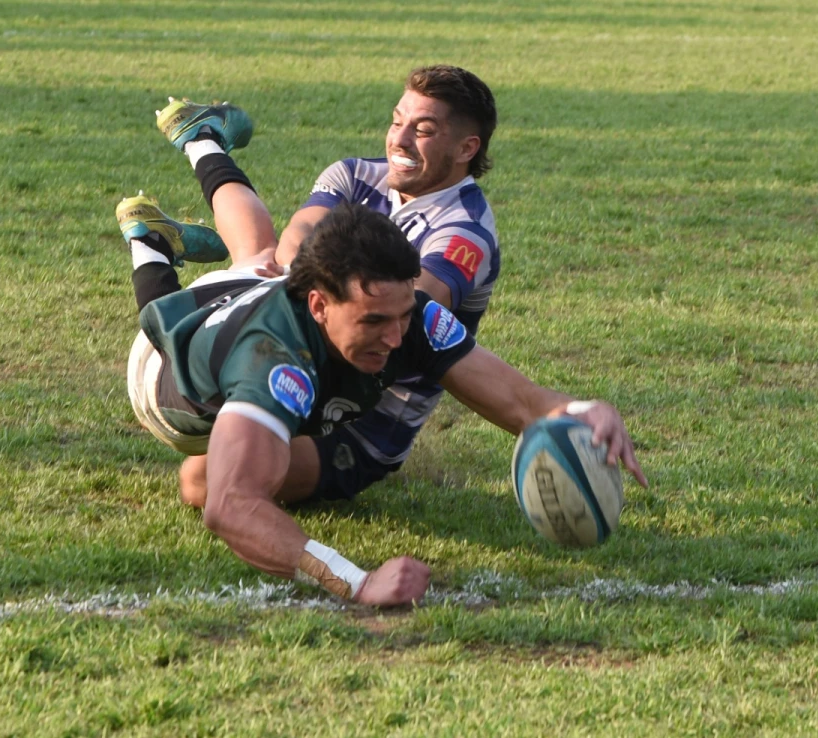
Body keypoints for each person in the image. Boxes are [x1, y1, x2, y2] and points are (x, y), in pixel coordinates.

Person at [116, 189, 648, 609]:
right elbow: (229, 509)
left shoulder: (406, 311)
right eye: (374, 322)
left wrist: (581, 410)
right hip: (164, 379)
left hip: (250, 301)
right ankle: (148, 244)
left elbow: (522, 402)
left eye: (402, 317)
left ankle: (159, 248)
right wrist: (357, 581)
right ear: (321, 306)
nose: (396, 340)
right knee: (210, 481)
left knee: (255, 449)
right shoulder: (274, 364)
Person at [151, 65, 504, 507]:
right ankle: (178, 186)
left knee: (200, 480)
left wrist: (296, 283)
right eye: (397, 121)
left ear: (466, 148)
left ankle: (189, 168)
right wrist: (286, 280)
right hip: (310, 357)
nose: (399, 139)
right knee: (261, 260)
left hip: (361, 426)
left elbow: (412, 310)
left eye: (424, 130)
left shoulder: (464, 231)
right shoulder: (354, 174)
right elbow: (295, 244)